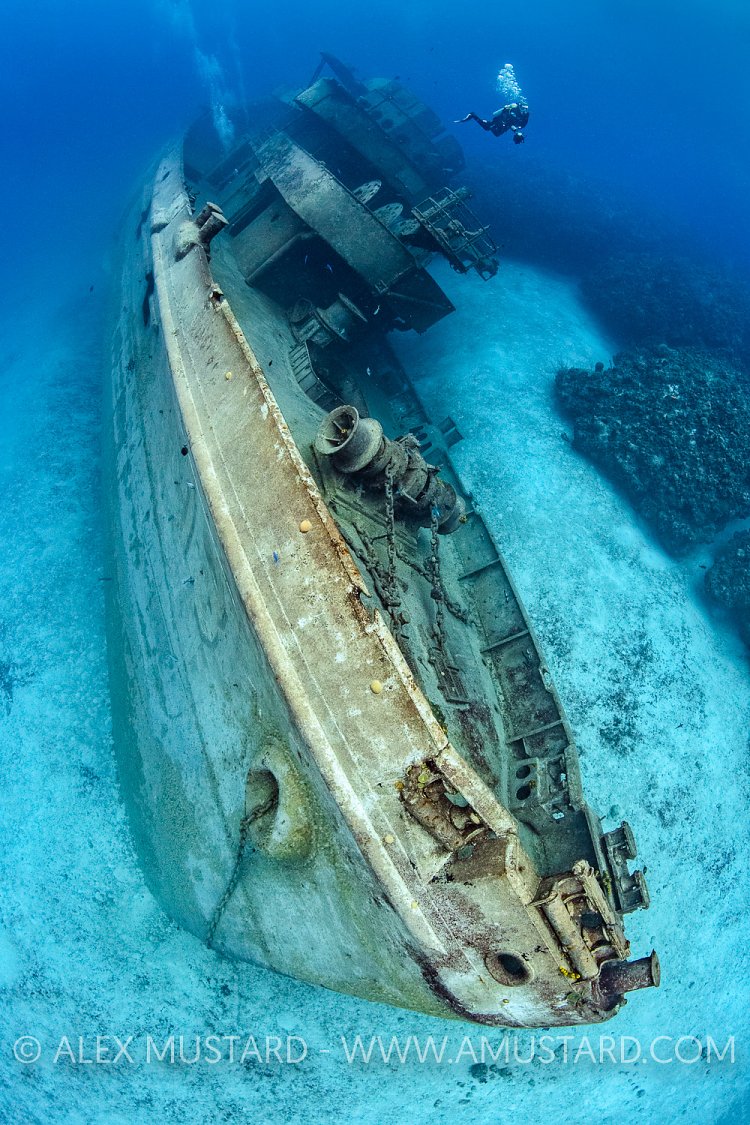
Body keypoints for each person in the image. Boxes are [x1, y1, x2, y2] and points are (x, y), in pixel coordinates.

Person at [455, 101, 529, 144]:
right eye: (523, 108)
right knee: (488, 128)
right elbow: (509, 122)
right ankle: (473, 115)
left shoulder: (524, 115)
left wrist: (517, 131)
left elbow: (520, 125)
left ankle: (479, 119)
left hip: (505, 125)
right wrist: (516, 131)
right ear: (520, 106)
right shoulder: (513, 110)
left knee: (495, 133)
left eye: (526, 109)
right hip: (500, 121)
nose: (524, 110)